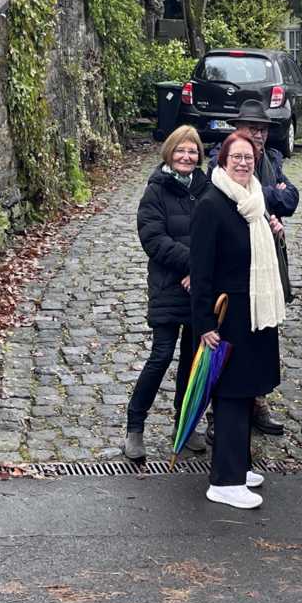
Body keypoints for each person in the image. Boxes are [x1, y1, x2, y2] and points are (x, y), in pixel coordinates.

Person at [190, 130, 285, 510]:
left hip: (255, 314)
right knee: (230, 395)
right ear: (223, 161)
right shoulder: (211, 204)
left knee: (246, 391)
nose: (244, 163)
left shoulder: (253, 200)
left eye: (249, 157)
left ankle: (239, 466)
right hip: (227, 317)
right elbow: (200, 271)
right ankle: (224, 481)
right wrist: (204, 324)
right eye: (237, 157)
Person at [208, 99, 296, 437]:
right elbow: (222, 197)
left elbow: (292, 199)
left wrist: (268, 199)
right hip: (233, 270)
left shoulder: (272, 159)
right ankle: (218, 414)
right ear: (238, 130)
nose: (258, 135)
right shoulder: (223, 157)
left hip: (266, 265)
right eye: (252, 129)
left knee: (261, 338)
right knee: (228, 345)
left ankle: (257, 403)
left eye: (263, 129)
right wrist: (271, 197)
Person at [124, 126, 210, 461]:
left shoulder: (206, 188)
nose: (186, 157)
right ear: (170, 153)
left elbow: (214, 235)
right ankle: (135, 427)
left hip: (198, 290)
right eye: (180, 151)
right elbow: (153, 239)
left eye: (192, 151)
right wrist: (194, 266)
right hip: (167, 286)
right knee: (161, 356)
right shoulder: (156, 189)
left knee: (192, 360)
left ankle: (183, 425)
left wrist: (199, 274)